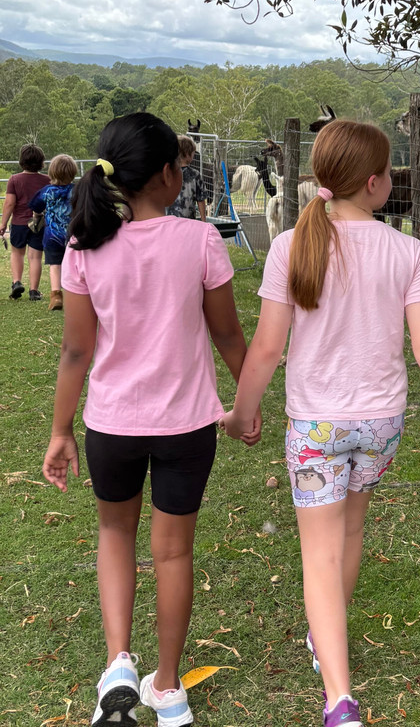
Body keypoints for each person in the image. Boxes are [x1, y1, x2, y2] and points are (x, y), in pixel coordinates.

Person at [220, 119, 420, 727]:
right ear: (374, 183)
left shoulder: (290, 246)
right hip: (381, 423)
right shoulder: (409, 252)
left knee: (319, 553)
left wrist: (241, 413)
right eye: (389, 171)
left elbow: (265, 350)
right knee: (351, 534)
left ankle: (339, 698)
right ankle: (325, 638)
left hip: (317, 427)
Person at [41, 113, 256, 727]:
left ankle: (118, 663)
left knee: (115, 537)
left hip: (111, 426)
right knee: (173, 555)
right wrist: (248, 405)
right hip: (187, 428)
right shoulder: (201, 241)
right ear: (168, 173)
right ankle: (168, 685)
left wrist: (61, 432)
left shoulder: (86, 246)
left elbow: (76, 352)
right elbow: (228, 335)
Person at [28, 153, 78, 311]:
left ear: (52, 172)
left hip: (52, 237)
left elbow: (35, 206)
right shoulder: (77, 190)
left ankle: (56, 295)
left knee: (55, 265)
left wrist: (37, 217)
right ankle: (77, 295)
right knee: (76, 265)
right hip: (75, 236)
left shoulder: (47, 191)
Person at [1, 143, 49, 300]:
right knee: (35, 256)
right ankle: (34, 291)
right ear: (41, 162)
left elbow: (9, 203)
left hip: (19, 223)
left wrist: (2, 224)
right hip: (38, 222)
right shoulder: (47, 180)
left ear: (21, 161)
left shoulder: (14, 179)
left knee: (17, 253)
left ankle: (16, 282)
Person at [166, 134, 208, 221]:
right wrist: (204, 220)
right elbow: (201, 200)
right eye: (193, 153)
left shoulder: (166, 173)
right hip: (188, 222)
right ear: (187, 154)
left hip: (168, 222)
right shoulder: (195, 175)